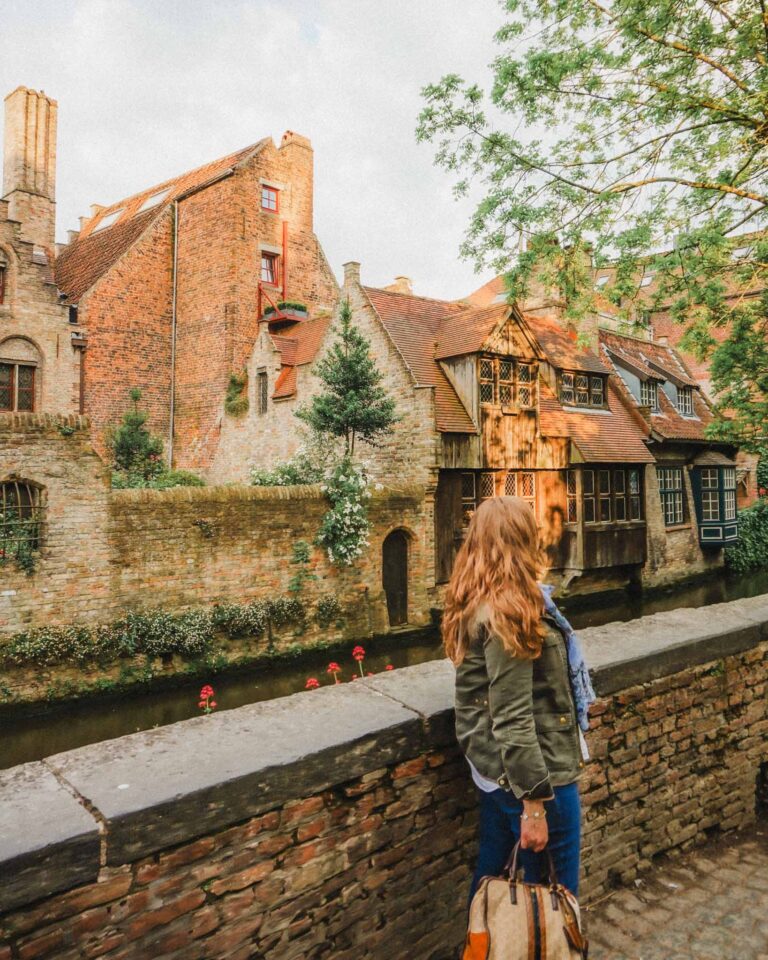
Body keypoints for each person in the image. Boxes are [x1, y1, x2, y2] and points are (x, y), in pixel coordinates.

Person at [442, 496, 594, 899]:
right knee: (556, 897)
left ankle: (482, 948)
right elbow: (512, 717)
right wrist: (534, 805)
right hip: (535, 777)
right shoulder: (508, 611)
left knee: (492, 878)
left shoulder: (476, 601)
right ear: (522, 540)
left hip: (495, 773)